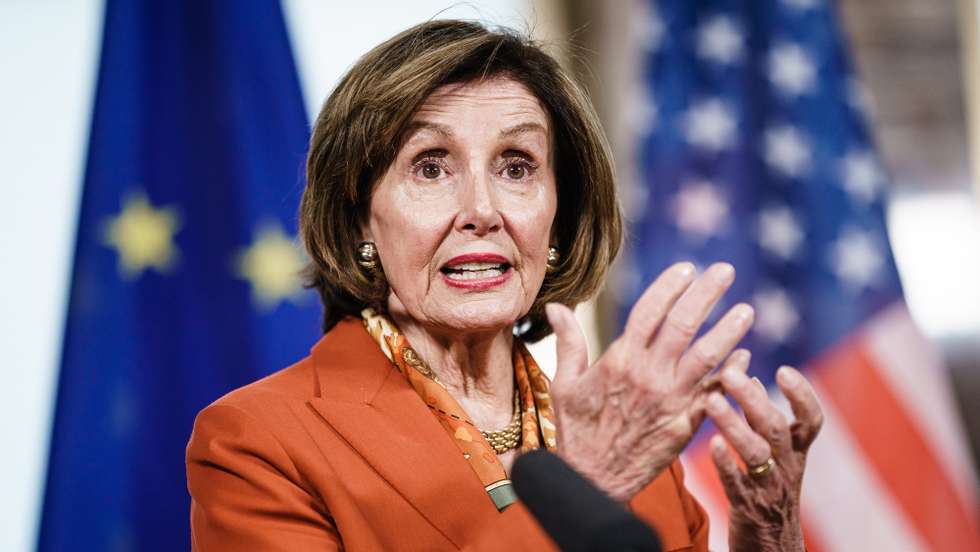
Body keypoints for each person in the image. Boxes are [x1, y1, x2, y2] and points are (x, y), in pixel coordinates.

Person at [186, 19, 823, 551]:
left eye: (516, 167)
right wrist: (583, 491)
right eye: (430, 168)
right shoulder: (257, 443)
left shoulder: (630, 439)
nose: (482, 210)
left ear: (558, 215)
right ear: (359, 218)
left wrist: (770, 539)